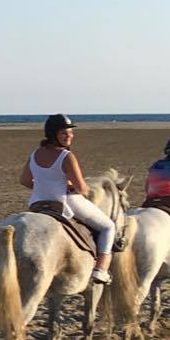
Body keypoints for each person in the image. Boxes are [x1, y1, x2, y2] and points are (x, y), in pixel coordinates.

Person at [19, 113, 117, 284]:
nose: (70, 135)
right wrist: (69, 187)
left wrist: (45, 186)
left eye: (71, 132)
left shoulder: (34, 154)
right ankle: (101, 269)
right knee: (108, 226)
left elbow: (25, 181)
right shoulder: (66, 156)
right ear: (53, 134)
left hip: (36, 204)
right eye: (64, 132)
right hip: (64, 202)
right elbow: (82, 189)